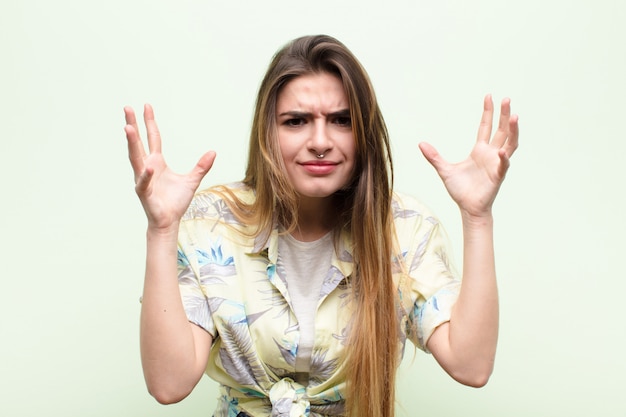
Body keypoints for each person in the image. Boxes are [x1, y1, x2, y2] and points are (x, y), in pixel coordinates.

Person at [123, 34, 519, 417]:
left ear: (363, 132)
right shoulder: (212, 223)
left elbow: (471, 366)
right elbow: (169, 385)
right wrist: (161, 230)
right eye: (296, 121)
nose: (319, 141)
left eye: (341, 120)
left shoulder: (404, 229)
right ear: (268, 133)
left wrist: (477, 217)